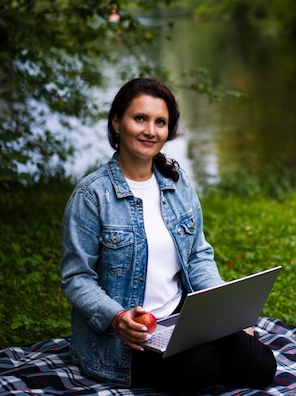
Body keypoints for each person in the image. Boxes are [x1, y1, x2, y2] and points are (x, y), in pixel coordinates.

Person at [60, 77, 277, 392]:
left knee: (261, 366)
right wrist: (117, 318)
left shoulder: (178, 184)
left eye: (160, 122)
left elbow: (198, 254)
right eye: (140, 118)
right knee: (201, 368)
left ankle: (209, 350)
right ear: (117, 123)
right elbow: (76, 277)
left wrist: (224, 314)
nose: (150, 130)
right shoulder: (92, 195)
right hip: (127, 341)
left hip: (183, 321)